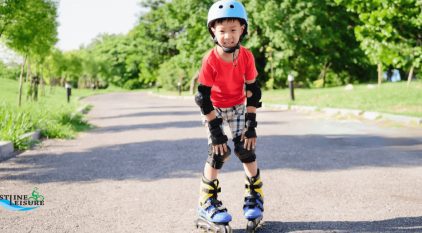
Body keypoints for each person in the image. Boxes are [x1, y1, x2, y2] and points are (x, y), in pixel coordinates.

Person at [194, 1, 264, 232]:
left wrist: (251, 125)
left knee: (245, 149)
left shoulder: (246, 56)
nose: (228, 36)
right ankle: (207, 202)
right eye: (222, 30)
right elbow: (203, 97)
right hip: (213, 107)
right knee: (218, 153)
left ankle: (255, 193)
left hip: (237, 106)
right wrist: (215, 131)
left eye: (233, 30)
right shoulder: (210, 60)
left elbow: (253, 91)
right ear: (213, 30)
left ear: (242, 29)